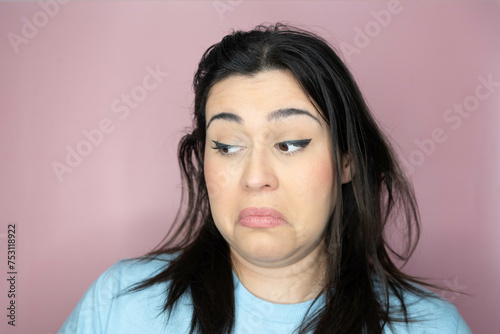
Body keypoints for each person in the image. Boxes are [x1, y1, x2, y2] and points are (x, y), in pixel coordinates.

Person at [59, 23, 472, 334]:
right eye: (227, 146)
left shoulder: (431, 326)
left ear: (347, 160)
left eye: (290, 143)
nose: (255, 178)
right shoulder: (119, 305)